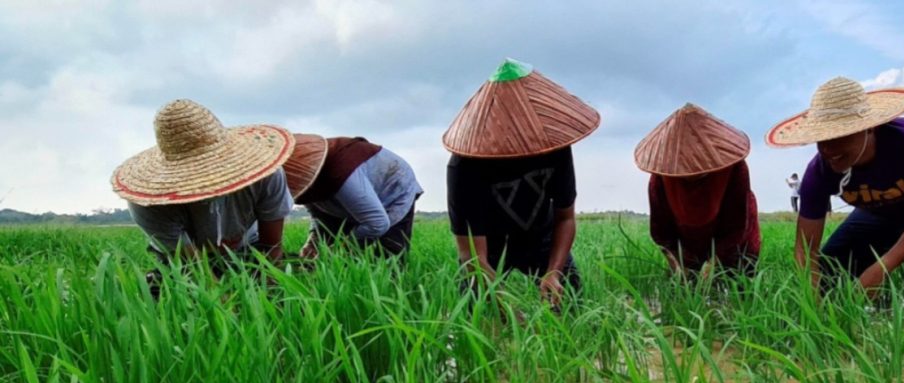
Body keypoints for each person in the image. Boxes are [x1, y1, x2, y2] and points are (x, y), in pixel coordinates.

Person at [766, 78, 904, 312]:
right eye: (821, 138)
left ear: (869, 128)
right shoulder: (819, 173)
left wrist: (881, 269)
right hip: (882, 207)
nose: (828, 148)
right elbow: (805, 250)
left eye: (840, 135)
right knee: (831, 268)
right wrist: (813, 300)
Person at [443, 59, 600, 306]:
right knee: (477, 309)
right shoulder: (465, 166)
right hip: (488, 244)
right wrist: (509, 309)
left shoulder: (554, 148)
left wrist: (554, 272)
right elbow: (471, 257)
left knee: (571, 300)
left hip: (540, 235)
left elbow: (565, 217)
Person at [111, 99, 294, 293]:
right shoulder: (150, 205)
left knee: (284, 285)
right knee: (165, 296)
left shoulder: (266, 176)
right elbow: (199, 272)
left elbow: (272, 245)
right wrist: (226, 312)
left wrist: (269, 287)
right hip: (184, 262)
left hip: (247, 251)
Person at [635, 103, 760, 278]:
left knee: (736, 285)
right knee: (687, 286)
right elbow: (661, 231)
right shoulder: (662, 175)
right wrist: (678, 265)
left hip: (733, 241)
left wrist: (712, 264)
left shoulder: (734, 169)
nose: (691, 172)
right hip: (687, 242)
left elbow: (736, 226)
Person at [283, 134, 423, 258]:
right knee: (324, 251)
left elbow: (377, 223)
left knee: (390, 254)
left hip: (391, 190)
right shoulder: (304, 180)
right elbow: (318, 213)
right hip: (343, 197)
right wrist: (314, 240)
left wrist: (342, 249)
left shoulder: (342, 174)